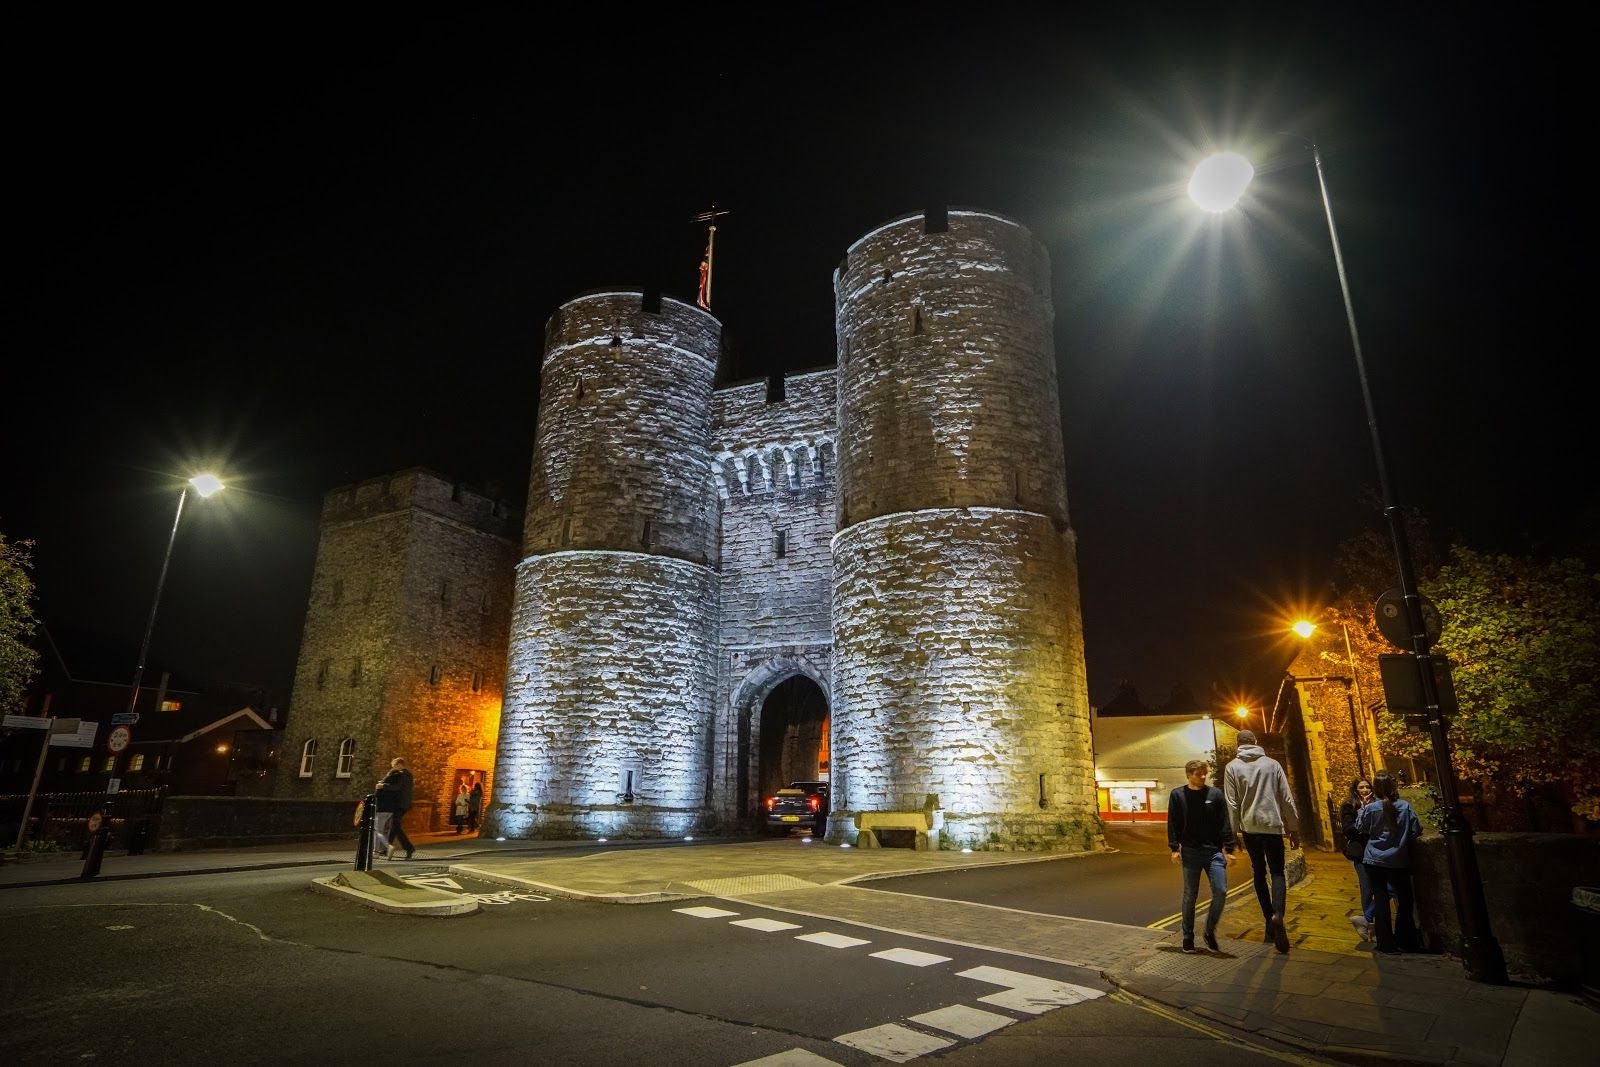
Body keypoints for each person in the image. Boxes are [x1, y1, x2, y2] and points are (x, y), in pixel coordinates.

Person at [1223, 730, 1300, 953]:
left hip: (1249, 827)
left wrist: (1233, 832)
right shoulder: (1272, 764)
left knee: (1259, 872)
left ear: (1238, 744)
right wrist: (1293, 828)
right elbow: (1286, 798)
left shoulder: (1232, 767)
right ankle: (1278, 914)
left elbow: (1232, 803)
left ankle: (1268, 921)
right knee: (1277, 872)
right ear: (1255, 742)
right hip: (1272, 825)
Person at [1167, 758, 1236, 953]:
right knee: (1190, 895)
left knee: (1221, 891)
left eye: (1205, 773)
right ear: (1189, 775)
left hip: (1213, 852)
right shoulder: (1178, 795)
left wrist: (1229, 850)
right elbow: (1173, 823)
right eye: (1199, 774)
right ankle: (1188, 937)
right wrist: (1174, 848)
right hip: (1190, 852)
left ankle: (1209, 931)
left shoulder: (1215, 795)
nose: (1203, 776)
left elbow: (1224, 822)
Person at [1355, 770, 1424, 953]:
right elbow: (1416, 830)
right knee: (1405, 900)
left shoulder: (1371, 808)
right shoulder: (1405, 806)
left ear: (1375, 789)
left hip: (1374, 860)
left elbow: (1361, 828)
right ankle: (1405, 939)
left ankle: (1385, 943)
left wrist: (1363, 807)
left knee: (1381, 898)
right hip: (1398, 859)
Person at [1340, 778, 1378, 941]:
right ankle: (1368, 928)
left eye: (1367, 786)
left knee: (1383, 888)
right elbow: (1349, 829)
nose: (1364, 790)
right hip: (1361, 852)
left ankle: (1370, 922)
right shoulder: (1349, 805)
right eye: (1361, 787)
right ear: (1355, 790)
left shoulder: (1377, 803)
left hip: (1377, 850)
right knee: (1367, 888)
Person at [375, 757, 415, 860]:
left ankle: (409, 848)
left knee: (395, 827)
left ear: (399, 764)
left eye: (394, 766)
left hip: (401, 805)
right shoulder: (407, 774)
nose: (394, 769)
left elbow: (396, 788)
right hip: (403, 804)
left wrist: (382, 786)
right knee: (393, 827)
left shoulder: (403, 775)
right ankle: (386, 849)